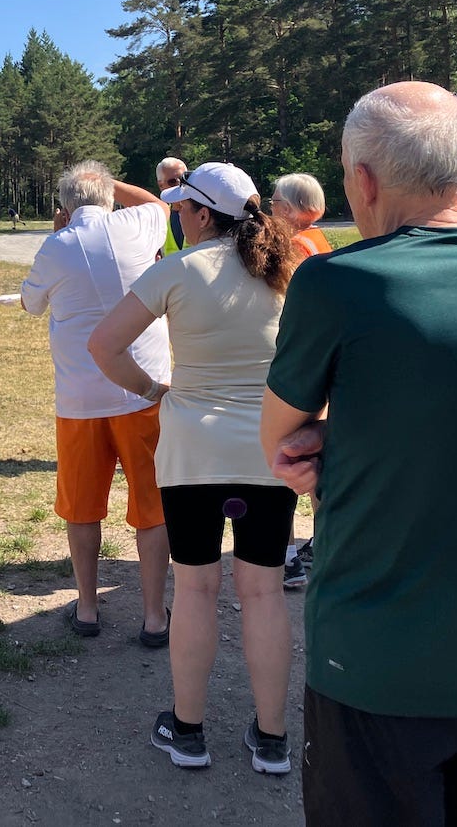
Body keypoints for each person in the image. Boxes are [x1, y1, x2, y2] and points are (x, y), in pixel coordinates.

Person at [260, 82, 457, 825]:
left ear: (363, 181)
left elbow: (279, 440)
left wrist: (327, 436)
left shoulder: (338, 282)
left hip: (376, 663)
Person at [90, 161, 298, 775]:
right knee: (262, 593)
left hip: (192, 456)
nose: (176, 217)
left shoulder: (177, 271)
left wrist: (151, 389)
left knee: (197, 589)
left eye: (181, 209)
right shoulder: (287, 273)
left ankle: (188, 731)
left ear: (203, 214)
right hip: (266, 452)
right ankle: (272, 739)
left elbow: (104, 344)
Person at [20, 161, 171, 648]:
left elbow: (30, 303)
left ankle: (87, 607)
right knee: (152, 507)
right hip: (143, 389)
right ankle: (153, 616)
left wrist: (61, 229)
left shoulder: (55, 246)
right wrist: (111, 185)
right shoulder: (136, 221)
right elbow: (154, 201)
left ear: (64, 208)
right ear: (109, 198)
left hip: (82, 397)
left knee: (83, 507)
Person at [268, 172, 332, 590]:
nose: (270, 210)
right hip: (325, 364)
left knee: (286, 457)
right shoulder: (322, 242)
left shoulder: (292, 247)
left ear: (289, 211)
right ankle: (323, 545)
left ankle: (288, 560)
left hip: (299, 364)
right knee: (317, 461)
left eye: (274, 203)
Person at [155, 157, 188, 257]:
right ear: (161, 185)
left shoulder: (202, 213)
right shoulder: (159, 219)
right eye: (173, 181)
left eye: (184, 179)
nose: (179, 184)